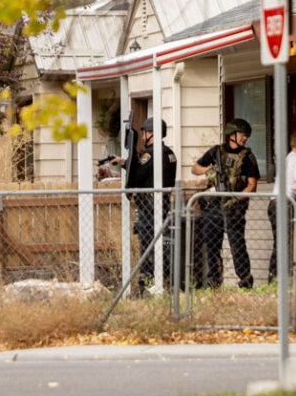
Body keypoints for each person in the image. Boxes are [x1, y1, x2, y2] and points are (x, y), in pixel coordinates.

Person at [191, 118, 260, 289]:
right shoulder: (216, 152)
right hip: (213, 207)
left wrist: (235, 199)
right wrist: (210, 170)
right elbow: (195, 168)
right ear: (232, 134)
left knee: (237, 245)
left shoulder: (248, 157)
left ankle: (245, 281)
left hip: (234, 209)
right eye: (243, 135)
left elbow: (252, 186)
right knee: (212, 245)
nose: (245, 138)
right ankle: (214, 281)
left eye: (246, 136)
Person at [111, 117, 177, 294]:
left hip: (150, 208)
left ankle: (148, 284)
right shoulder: (169, 153)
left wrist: (130, 166)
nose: (142, 137)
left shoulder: (151, 154)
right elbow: (146, 171)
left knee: (149, 247)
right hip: (162, 205)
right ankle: (161, 281)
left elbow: (140, 174)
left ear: (152, 133)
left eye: (145, 133)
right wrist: (125, 163)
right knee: (159, 245)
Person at [268, 132, 296, 283]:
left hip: (274, 203)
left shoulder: (287, 159)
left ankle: (274, 274)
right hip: (284, 204)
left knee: (279, 240)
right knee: (285, 241)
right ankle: (280, 275)